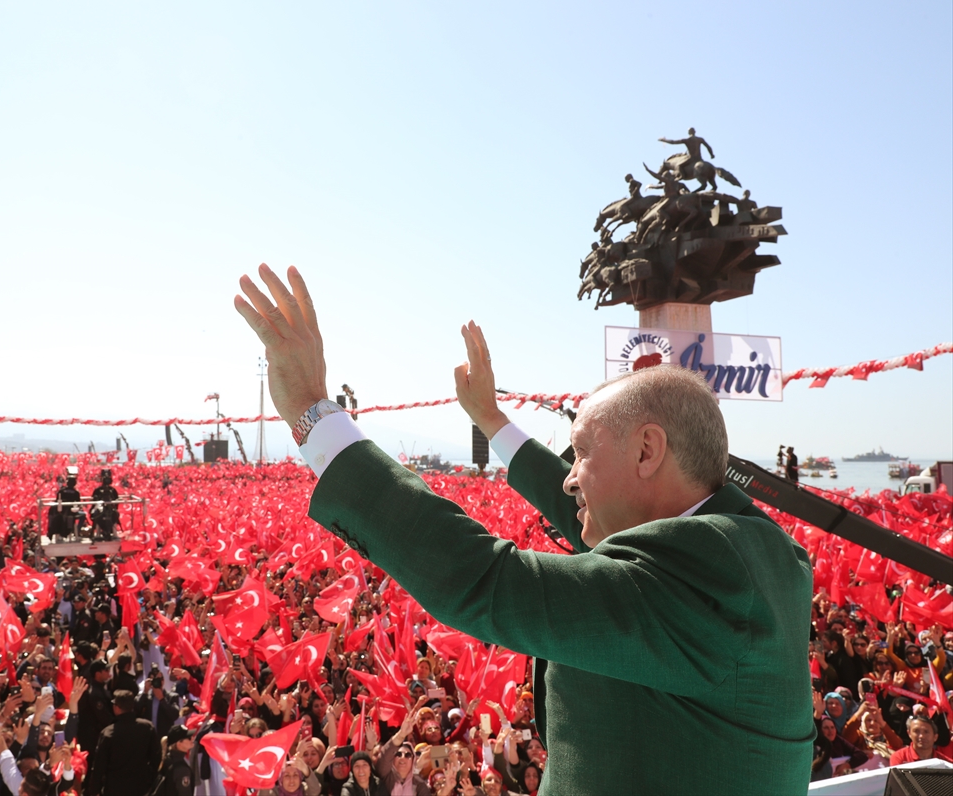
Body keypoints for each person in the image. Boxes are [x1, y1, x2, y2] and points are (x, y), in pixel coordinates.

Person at [233, 264, 815, 795]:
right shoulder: (747, 548)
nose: (569, 479)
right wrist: (492, 421)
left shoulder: (707, 577)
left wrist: (311, 412)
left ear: (647, 449)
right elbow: (597, 515)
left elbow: (488, 579)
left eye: (581, 453)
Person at [87, 689, 160, 796]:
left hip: (115, 789)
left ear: (116, 707)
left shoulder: (108, 733)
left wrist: (93, 792)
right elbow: (156, 757)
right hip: (142, 788)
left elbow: (99, 766)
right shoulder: (147, 727)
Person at [888, 714, 953, 765]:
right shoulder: (899, 758)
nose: (921, 736)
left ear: (935, 737)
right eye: (916, 731)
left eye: (926, 732)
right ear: (909, 733)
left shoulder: (945, 763)